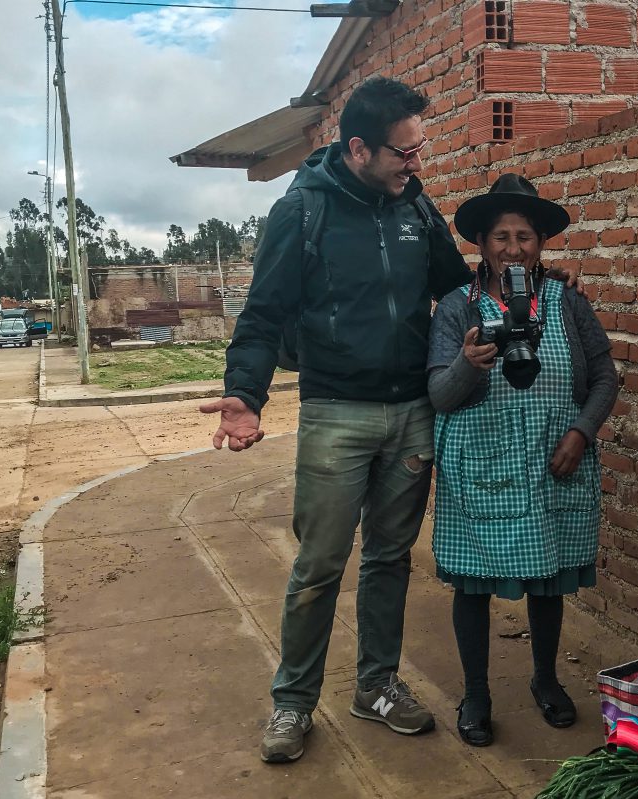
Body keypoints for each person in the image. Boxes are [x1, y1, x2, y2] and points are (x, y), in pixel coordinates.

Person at [200, 77, 475, 764]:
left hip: (412, 411)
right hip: (335, 413)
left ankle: (376, 685)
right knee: (320, 564)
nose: (416, 164)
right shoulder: (302, 211)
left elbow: (456, 287)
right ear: (358, 148)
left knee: (389, 558)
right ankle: (293, 702)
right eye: (403, 153)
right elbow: (262, 313)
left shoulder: (417, 205)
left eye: (420, 149)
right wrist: (246, 394)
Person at [426, 174, 619, 747]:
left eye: (526, 237)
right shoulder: (457, 309)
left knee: (547, 582)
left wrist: (582, 432)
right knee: (473, 586)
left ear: (542, 244)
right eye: (501, 237)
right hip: (482, 467)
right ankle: (477, 694)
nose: (514, 248)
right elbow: (439, 394)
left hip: (555, 461)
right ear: (481, 244)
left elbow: (605, 376)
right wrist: (468, 364)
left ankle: (545, 679)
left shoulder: (566, 301)